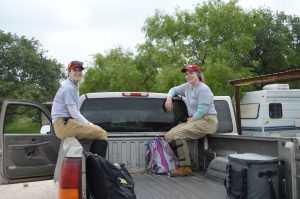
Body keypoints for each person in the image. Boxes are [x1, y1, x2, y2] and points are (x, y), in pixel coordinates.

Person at [164, 64, 218, 176]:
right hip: (195, 119)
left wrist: (191, 120)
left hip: (207, 121)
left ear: (198, 74)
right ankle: (190, 162)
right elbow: (173, 89)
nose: (188, 76)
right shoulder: (187, 86)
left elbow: (202, 111)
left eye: (191, 73)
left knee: (178, 134)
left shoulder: (203, 89)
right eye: (186, 74)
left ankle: (185, 167)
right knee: (168, 136)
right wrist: (169, 98)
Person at [51, 61, 108, 157]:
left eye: (80, 70)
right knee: (102, 134)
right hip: (64, 124)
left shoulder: (72, 86)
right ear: (69, 72)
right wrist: (89, 124)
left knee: (96, 132)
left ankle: (93, 164)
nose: (78, 72)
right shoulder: (69, 88)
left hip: (64, 124)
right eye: (74, 70)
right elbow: (73, 112)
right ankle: (97, 168)